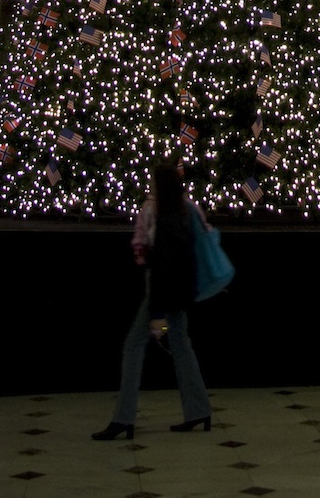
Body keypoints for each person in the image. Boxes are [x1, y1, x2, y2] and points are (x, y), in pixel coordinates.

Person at [92, 162, 212, 441]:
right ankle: (198, 410)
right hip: (183, 288)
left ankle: (123, 418)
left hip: (161, 289)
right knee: (182, 344)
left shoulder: (152, 212)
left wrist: (157, 311)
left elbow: (156, 264)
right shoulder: (188, 209)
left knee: (133, 347)